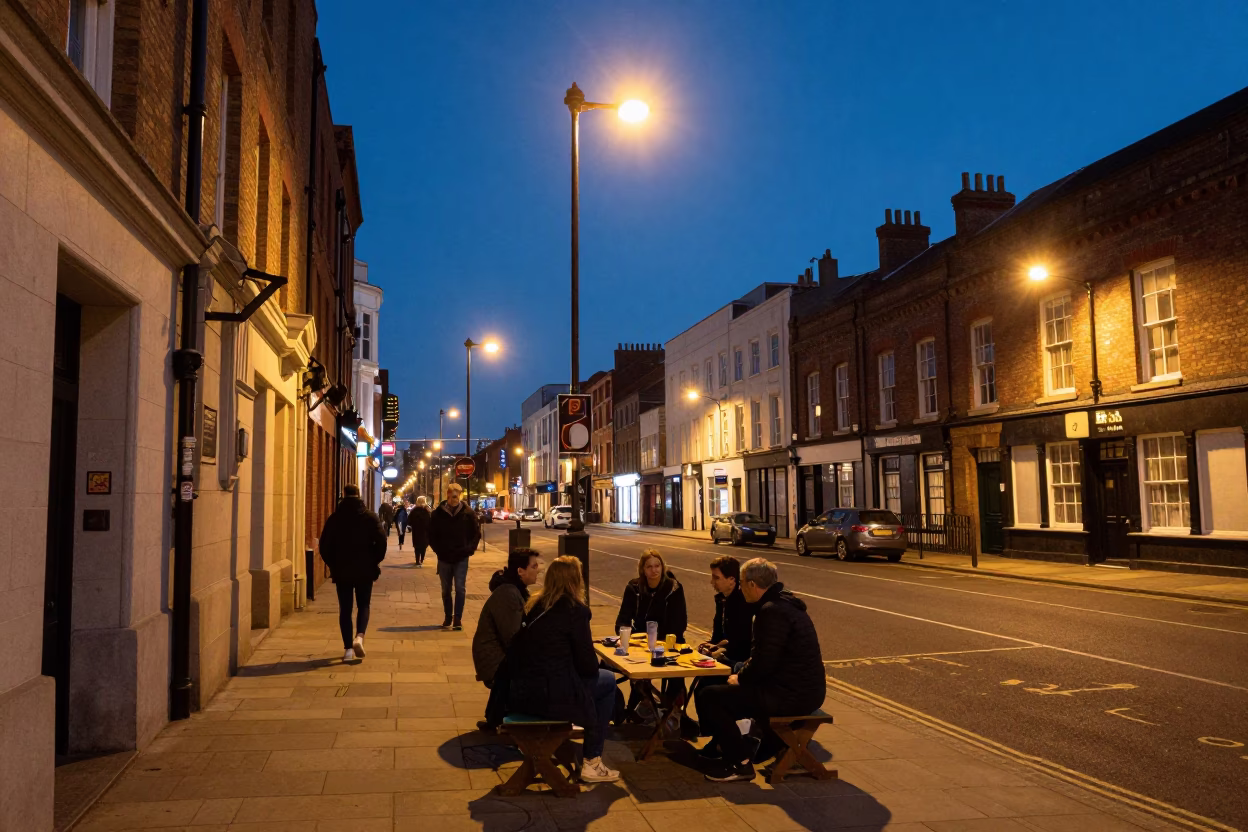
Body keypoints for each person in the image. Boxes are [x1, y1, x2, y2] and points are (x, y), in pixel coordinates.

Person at [698, 558, 826, 782]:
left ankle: (739, 763)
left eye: (742, 582)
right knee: (722, 690)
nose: (740, 587)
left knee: (711, 696)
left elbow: (763, 663)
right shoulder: (784, 604)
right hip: (803, 690)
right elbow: (768, 660)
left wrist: (740, 678)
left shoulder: (770, 612)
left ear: (752, 585)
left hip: (791, 695)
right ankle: (739, 745)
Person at [503, 555, 620, 783]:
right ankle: (592, 760)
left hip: (522, 692)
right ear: (575, 581)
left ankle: (585, 749)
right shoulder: (575, 611)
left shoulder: (537, 606)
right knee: (607, 681)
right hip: (549, 697)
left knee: (599, 683)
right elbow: (588, 667)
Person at [473, 548, 543, 731]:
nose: (539, 570)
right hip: (494, 663)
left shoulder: (513, 591)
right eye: (534, 566)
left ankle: (495, 715)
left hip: (497, 659)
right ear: (520, 571)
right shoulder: (509, 594)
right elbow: (513, 639)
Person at [692, 555, 755, 757]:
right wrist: (710, 645)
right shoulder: (722, 600)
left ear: (732, 580)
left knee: (708, 689)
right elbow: (719, 634)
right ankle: (716, 737)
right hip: (726, 657)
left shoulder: (743, 603)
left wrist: (722, 651)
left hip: (740, 663)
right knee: (701, 682)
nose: (712, 582)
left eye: (716, 578)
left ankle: (723, 741)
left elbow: (743, 640)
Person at [317, 484, 387, 662]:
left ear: (343, 494)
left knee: (345, 609)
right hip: (365, 569)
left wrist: (333, 564)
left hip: (342, 570)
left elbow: (324, 545)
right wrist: (374, 562)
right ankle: (359, 637)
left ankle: (348, 649)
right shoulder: (370, 517)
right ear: (359, 495)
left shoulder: (335, 518)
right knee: (364, 605)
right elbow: (381, 542)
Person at [427, 483, 480, 630]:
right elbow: (431, 534)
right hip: (444, 557)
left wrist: (469, 550)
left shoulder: (468, 513)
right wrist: (438, 550)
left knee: (460, 588)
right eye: (452, 495)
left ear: (460, 496)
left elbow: (476, 533)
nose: (454, 498)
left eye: (457, 495)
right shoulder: (438, 513)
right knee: (445, 589)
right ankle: (447, 616)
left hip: (461, 557)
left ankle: (457, 618)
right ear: (447, 495)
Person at [615, 549, 688, 642]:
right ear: (643, 569)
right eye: (649, 567)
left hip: (667, 642)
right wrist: (627, 635)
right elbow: (623, 620)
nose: (654, 570)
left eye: (657, 566)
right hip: (639, 641)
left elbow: (679, 624)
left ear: (662, 567)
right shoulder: (634, 588)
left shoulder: (674, 589)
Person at [408, 496, 432, 566]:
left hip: (416, 531)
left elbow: (409, 520)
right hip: (425, 531)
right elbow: (430, 521)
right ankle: (422, 559)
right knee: (423, 546)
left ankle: (417, 560)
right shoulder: (427, 510)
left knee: (417, 546)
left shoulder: (413, 510)